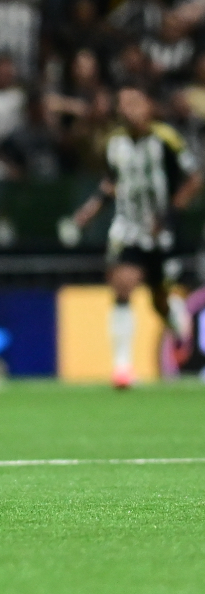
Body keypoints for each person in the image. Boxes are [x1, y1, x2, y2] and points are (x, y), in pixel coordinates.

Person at [72, 87, 201, 389]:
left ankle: (175, 317)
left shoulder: (166, 138)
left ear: (148, 107)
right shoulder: (114, 143)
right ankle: (122, 367)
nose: (128, 109)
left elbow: (194, 178)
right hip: (127, 229)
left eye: (135, 103)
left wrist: (170, 215)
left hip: (161, 232)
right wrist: (90, 209)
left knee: (160, 302)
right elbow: (112, 180)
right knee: (122, 286)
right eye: (123, 104)